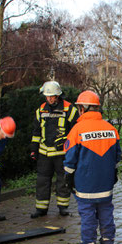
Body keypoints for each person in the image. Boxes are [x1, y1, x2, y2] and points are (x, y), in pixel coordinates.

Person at [63, 91, 121, 244]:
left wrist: (68, 177)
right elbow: (117, 156)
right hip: (106, 181)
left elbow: (70, 159)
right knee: (106, 211)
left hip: (85, 182)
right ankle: (108, 241)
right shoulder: (110, 129)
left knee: (88, 213)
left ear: (83, 108)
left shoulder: (77, 130)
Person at [29, 81, 79, 218]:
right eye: (47, 96)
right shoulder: (41, 110)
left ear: (58, 95)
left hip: (62, 153)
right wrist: (34, 149)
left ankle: (63, 207)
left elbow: (76, 130)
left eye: (52, 96)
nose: (50, 99)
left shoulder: (70, 109)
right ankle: (41, 209)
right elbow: (36, 131)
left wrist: (66, 140)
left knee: (63, 180)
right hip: (44, 153)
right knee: (42, 181)